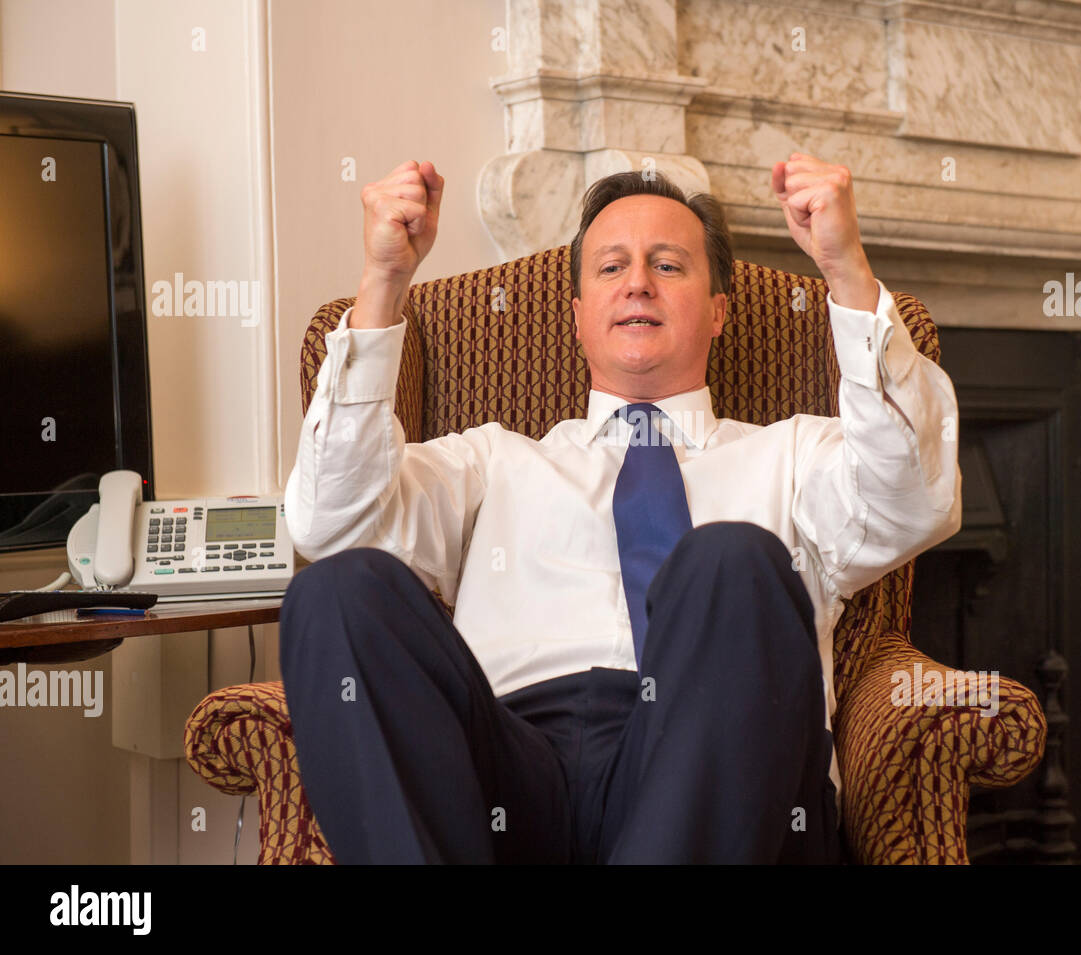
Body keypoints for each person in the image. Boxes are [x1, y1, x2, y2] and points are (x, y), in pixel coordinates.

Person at [279, 152, 962, 864]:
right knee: (336, 589)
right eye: (610, 267)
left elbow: (913, 498)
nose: (637, 281)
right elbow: (332, 522)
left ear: (719, 309)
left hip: (720, 769)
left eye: (668, 265)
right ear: (577, 318)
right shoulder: (491, 460)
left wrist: (846, 268)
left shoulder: (795, 457)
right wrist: (385, 280)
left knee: (731, 559)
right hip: (510, 780)